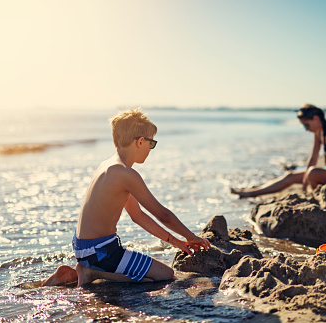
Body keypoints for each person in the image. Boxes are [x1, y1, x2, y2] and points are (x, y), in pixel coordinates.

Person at [43, 109, 210, 287]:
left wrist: (177, 242)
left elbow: (138, 216)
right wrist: (192, 237)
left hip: (84, 248)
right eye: (151, 144)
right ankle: (90, 272)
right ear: (140, 142)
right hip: (102, 251)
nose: (150, 149)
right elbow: (163, 215)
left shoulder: (107, 166)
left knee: (149, 275)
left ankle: (80, 271)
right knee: (165, 275)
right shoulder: (126, 174)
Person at [231, 104, 326, 198]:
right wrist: (305, 181)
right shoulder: (319, 132)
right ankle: (251, 193)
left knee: (312, 172)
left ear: (316, 118)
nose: (306, 129)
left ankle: (319, 195)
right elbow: (313, 158)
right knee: (290, 175)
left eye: (306, 125)